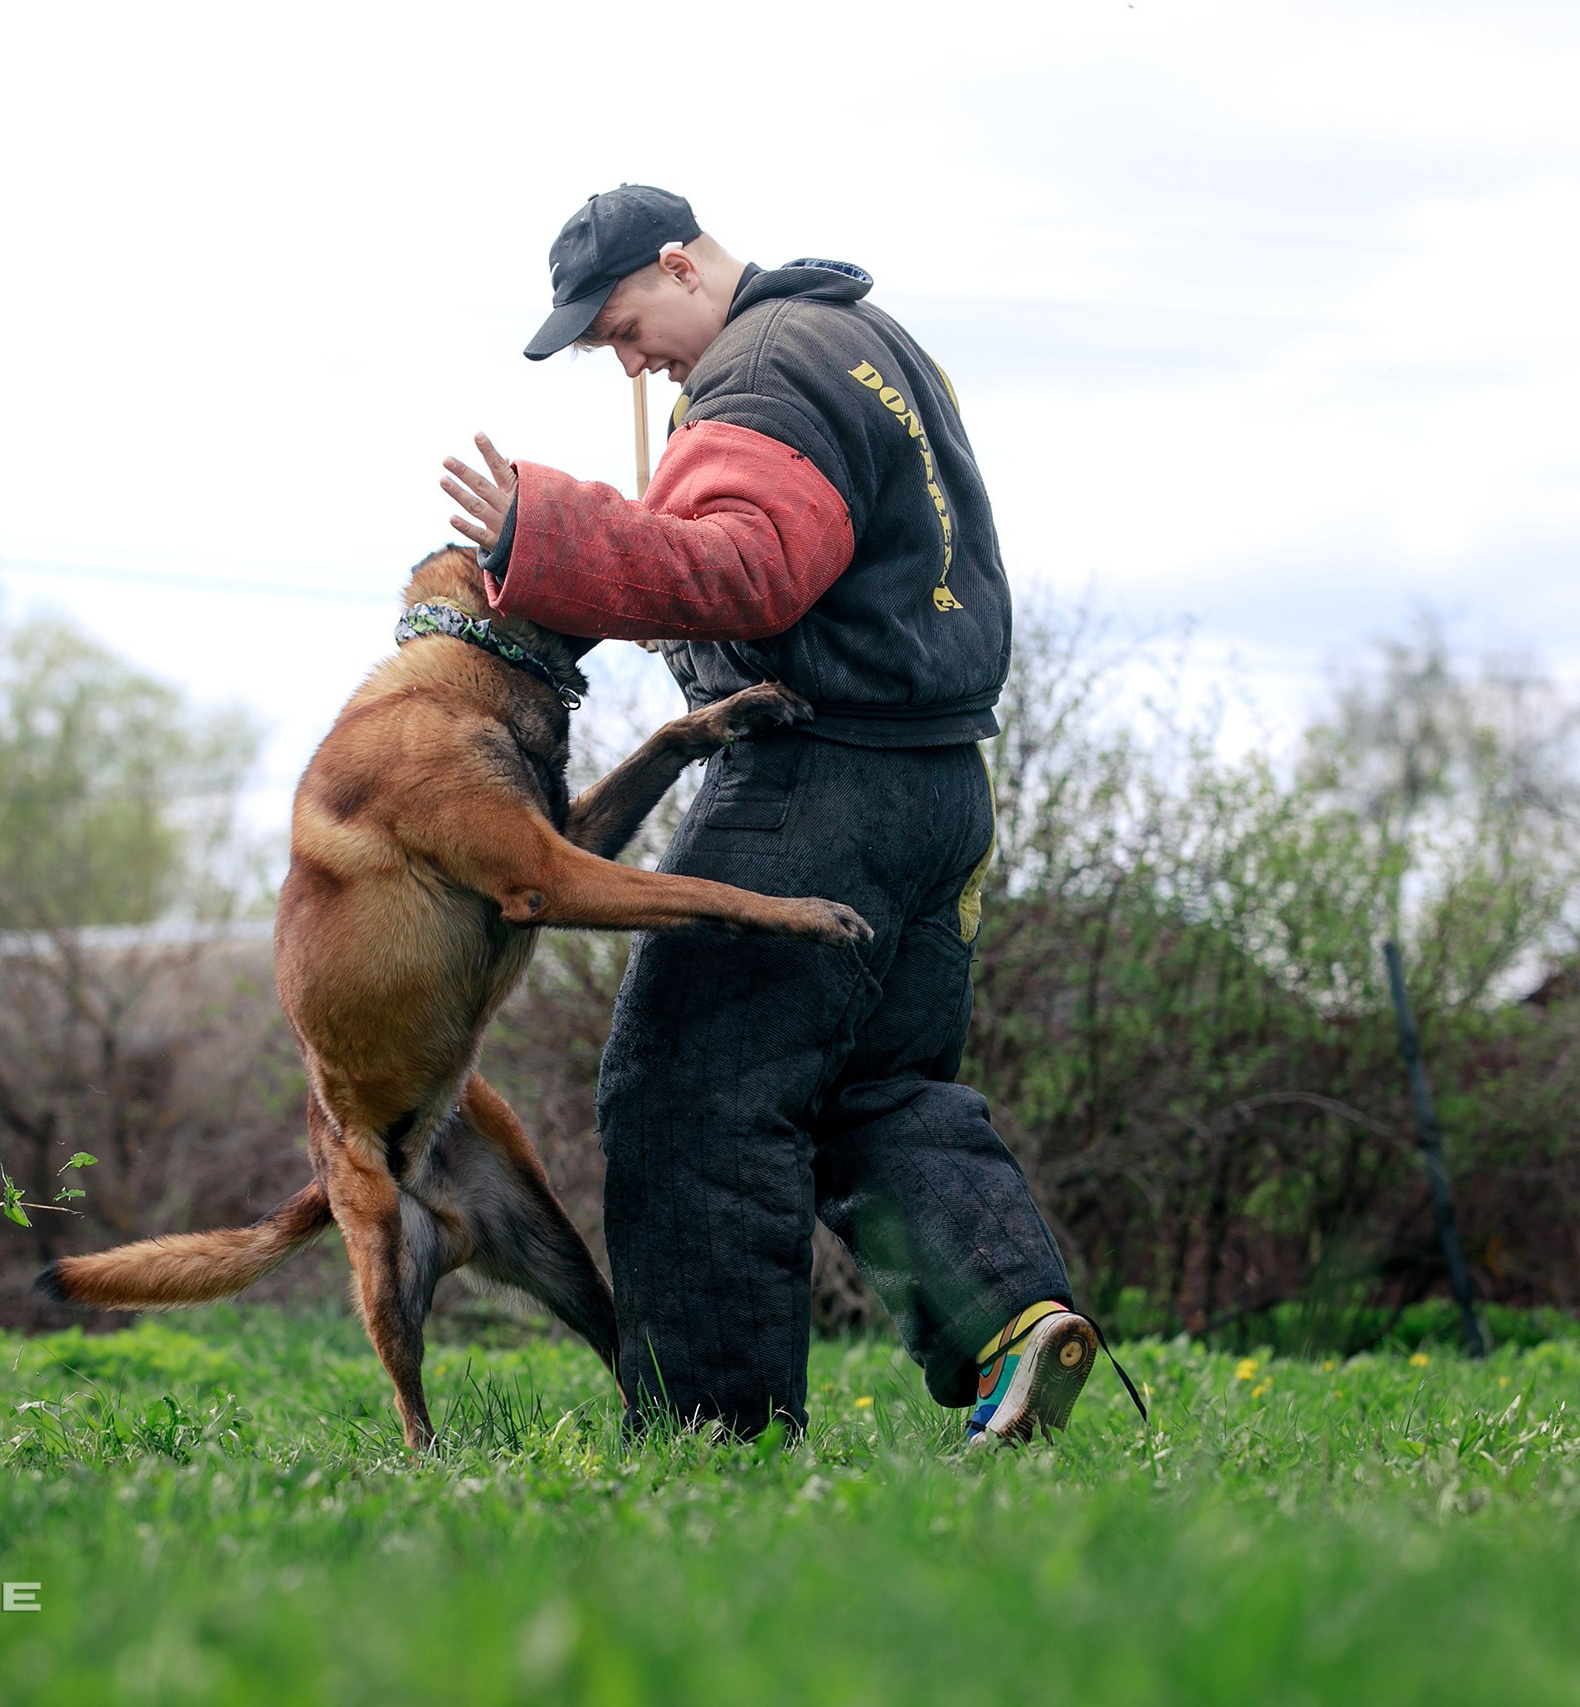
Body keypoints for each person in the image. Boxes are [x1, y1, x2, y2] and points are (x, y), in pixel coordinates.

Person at [438, 184, 1103, 1445]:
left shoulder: (760, 370)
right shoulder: (870, 341)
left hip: (819, 780)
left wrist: (554, 533)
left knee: (688, 1091)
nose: (621, 355)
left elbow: (753, 565)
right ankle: (1015, 1326)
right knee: (874, 1088)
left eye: (621, 322)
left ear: (681, 267)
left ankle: (713, 1438)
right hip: (941, 789)